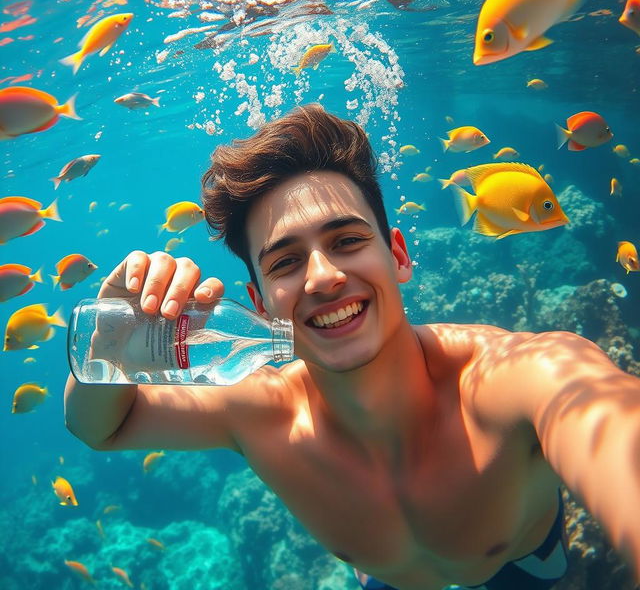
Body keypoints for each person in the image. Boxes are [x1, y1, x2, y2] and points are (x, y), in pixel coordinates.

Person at [64, 104, 640, 590]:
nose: (322, 277)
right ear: (259, 302)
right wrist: (109, 341)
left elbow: (606, 422)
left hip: (525, 561)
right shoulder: (258, 410)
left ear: (399, 256)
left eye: (347, 240)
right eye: (285, 261)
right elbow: (101, 427)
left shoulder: (517, 379)